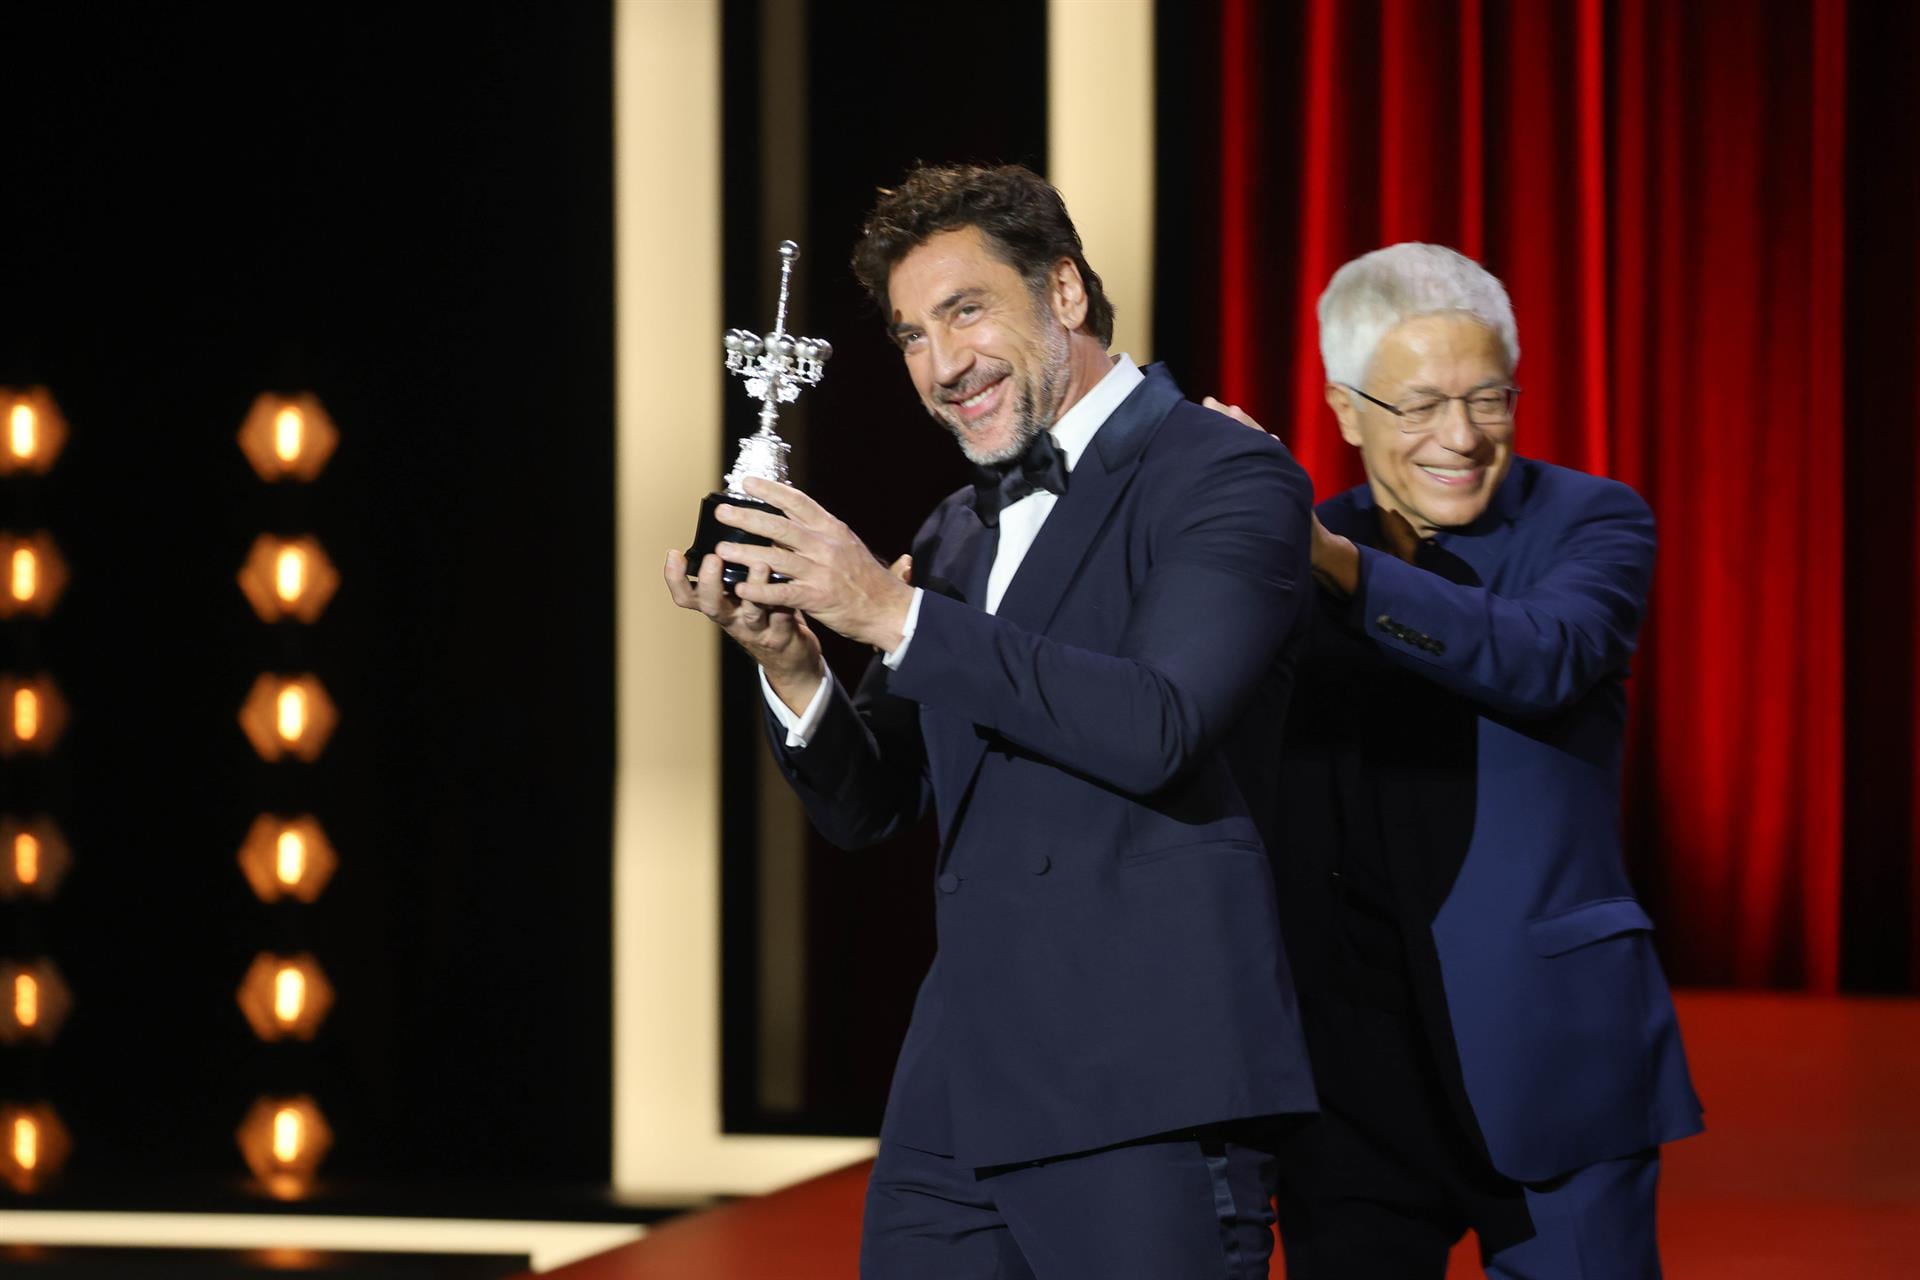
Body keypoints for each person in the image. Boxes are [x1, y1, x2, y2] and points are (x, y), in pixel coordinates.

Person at [664, 163, 1317, 1278]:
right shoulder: (959, 528)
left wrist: (891, 609)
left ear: (1064, 292)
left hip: (1143, 1084)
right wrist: (795, 663)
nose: (940, 364)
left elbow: (1161, 722)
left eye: (966, 312)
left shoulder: (1229, 475)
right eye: (912, 335)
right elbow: (872, 802)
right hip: (954, 1095)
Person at [1212, 242, 1702, 1278]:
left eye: (1489, 398)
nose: (1463, 436)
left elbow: (1541, 654)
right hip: (1345, 1077)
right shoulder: (1286, 543)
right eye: (1421, 405)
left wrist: (1334, 563)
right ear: (1346, 411)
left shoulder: (1594, 520)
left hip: (1550, 1052)